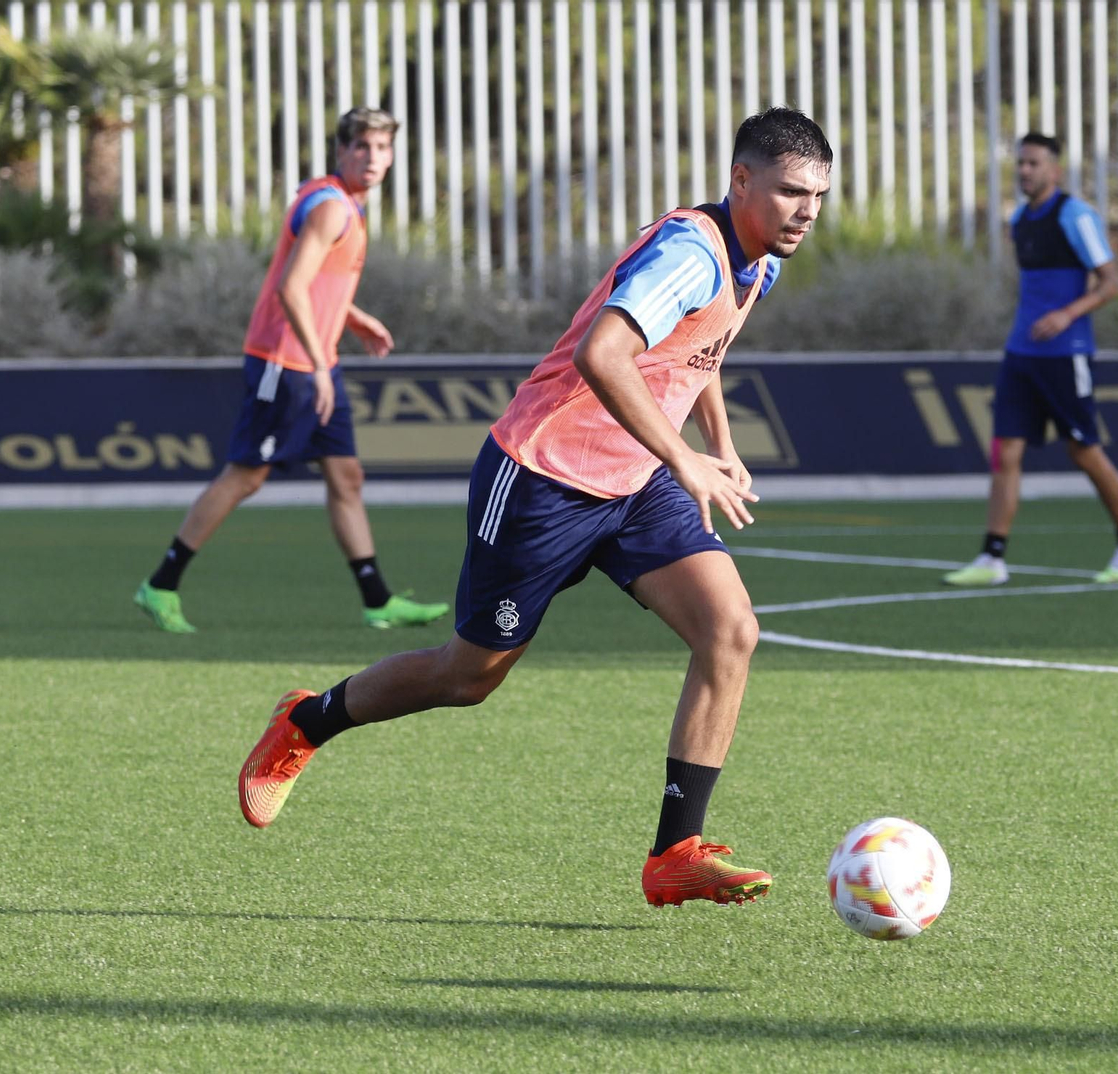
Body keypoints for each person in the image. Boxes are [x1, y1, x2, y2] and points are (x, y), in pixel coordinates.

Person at [236, 107, 832, 909]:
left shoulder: (758, 260)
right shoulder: (691, 253)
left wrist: (716, 443)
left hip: (635, 483)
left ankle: (675, 852)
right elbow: (603, 353)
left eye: (819, 197)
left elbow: (699, 350)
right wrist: (685, 455)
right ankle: (307, 721)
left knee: (731, 631)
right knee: (465, 677)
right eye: (792, 191)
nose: (807, 211)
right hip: (543, 478)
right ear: (741, 180)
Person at [133, 107, 448, 634]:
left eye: (382, 149)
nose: (373, 158)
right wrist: (321, 365)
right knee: (246, 477)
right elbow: (289, 288)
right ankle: (160, 585)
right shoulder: (331, 208)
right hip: (288, 362)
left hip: (317, 360)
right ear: (342, 151)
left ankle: (377, 599)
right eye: (362, 147)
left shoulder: (338, 199)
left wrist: (352, 318)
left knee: (346, 476)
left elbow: (313, 279)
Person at [944, 132, 1118, 587]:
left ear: (1054, 170)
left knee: (1084, 450)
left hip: (1065, 354)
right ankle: (992, 558)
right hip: (1021, 354)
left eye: (1034, 163)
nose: (1024, 171)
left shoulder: (1076, 216)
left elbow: (1111, 282)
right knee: (1005, 452)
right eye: (1020, 163)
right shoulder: (1021, 219)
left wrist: (1066, 315)